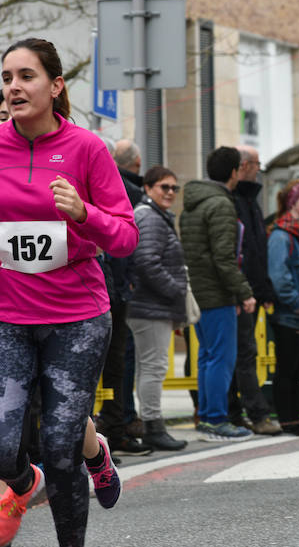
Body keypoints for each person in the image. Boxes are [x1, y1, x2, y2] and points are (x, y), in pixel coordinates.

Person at [0, 37, 138, 547]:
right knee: (2, 445)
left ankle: (88, 462)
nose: (14, 86)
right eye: (7, 77)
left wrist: (84, 213)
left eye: (26, 76)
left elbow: (125, 237)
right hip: (7, 316)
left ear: (55, 85)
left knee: (59, 446)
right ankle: (25, 482)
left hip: (75, 317)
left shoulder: (86, 148)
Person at [180, 146, 256, 441]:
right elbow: (224, 257)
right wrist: (244, 293)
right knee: (221, 358)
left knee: (207, 356)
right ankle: (216, 420)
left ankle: (207, 417)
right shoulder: (221, 205)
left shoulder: (193, 203)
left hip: (198, 290)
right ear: (235, 172)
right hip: (217, 293)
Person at [126, 166, 189, 450]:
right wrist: (176, 291)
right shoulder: (149, 217)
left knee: (150, 367)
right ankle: (153, 426)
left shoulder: (155, 215)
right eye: (164, 187)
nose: (170, 193)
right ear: (149, 188)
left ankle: (150, 423)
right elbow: (147, 262)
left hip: (151, 306)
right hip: (150, 306)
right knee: (154, 367)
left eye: (174, 188)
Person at [95, 138, 150, 454]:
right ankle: (114, 429)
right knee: (112, 365)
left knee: (112, 364)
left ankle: (111, 430)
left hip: (108, 286)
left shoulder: (115, 189)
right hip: (103, 289)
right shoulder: (127, 191)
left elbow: (125, 239)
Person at [230, 145, 282, 435]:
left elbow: (255, 250)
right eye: (257, 165)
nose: (259, 171)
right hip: (240, 293)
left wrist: (263, 291)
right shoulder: (236, 200)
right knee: (243, 353)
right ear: (244, 166)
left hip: (251, 291)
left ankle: (235, 412)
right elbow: (242, 252)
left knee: (243, 353)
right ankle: (256, 413)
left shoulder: (251, 200)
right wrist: (248, 291)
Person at [267, 179, 299, 436]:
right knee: (286, 370)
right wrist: (298, 307)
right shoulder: (281, 235)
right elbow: (279, 278)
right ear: (291, 201)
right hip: (290, 317)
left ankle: (293, 417)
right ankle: (288, 420)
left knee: (297, 371)